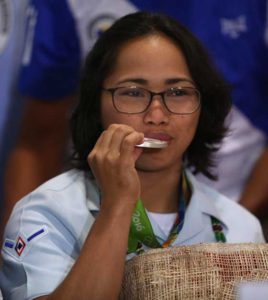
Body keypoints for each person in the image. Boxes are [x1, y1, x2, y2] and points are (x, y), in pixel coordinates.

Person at [0, 12, 265, 299]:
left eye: (177, 92)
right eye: (134, 93)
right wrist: (117, 204)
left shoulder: (239, 226)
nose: (157, 115)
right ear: (95, 104)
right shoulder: (46, 212)